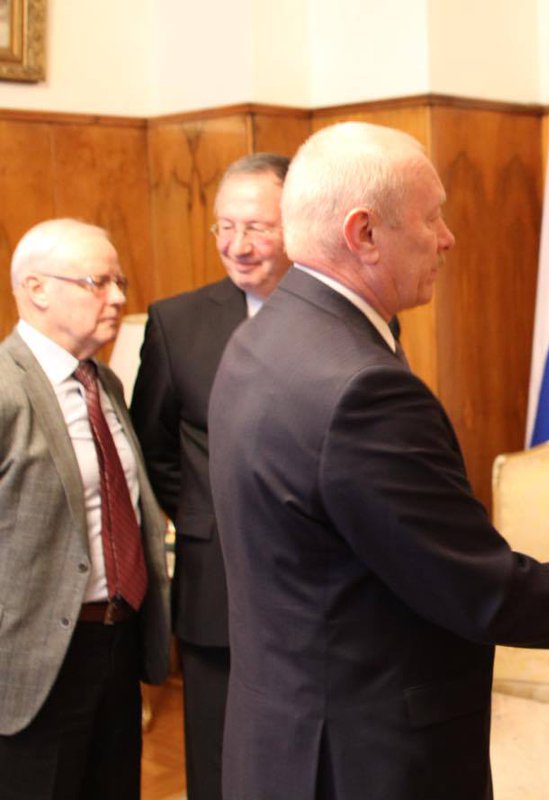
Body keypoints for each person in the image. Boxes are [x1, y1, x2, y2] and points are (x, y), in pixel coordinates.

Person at [207, 122, 549, 800]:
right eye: (431, 217)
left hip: (281, 738)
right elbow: (479, 590)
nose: (446, 237)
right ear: (364, 233)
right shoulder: (362, 388)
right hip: (362, 761)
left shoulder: (262, 337)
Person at [130, 151, 291, 800]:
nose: (237, 245)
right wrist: (214, 512)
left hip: (326, 586)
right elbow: (154, 447)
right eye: (225, 226)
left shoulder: (352, 311)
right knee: (218, 761)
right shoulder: (177, 322)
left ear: (296, 223)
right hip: (216, 581)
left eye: (257, 227)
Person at [0, 219, 171, 800]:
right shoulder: (6, 389)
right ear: (36, 289)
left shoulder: (104, 385)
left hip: (116, 644)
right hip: (33, 665)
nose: (118, 298)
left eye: (120, 282)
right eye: (98, 282)